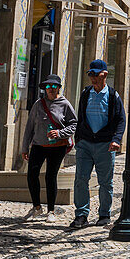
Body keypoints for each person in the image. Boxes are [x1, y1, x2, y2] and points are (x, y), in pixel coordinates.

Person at [70, 59, 125, 229]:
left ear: (105, 75)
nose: (93, 78)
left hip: (105, 144)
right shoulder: (86, 93)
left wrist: (116, 140)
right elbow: (81, 117)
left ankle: (104, 214)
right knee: (80, 179)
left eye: (96, 74)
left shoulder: (113, 96)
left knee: (105, 182)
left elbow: (121, 119)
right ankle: (81, 215)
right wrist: (78, 138)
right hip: (85, 143)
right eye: (90, 74)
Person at [21, 74, 76, 221]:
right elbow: (29, 127)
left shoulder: (65, 104)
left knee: (50, 176)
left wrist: (60, 133)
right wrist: (24, 147)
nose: (50, 89)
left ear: (58, 88)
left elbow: (74, 124)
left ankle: (51, 211)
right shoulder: (38, 104)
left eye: (53, 86)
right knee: (32, 174)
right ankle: (37, 207)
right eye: (47, 86)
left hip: (57, 146)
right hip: (38, 145)